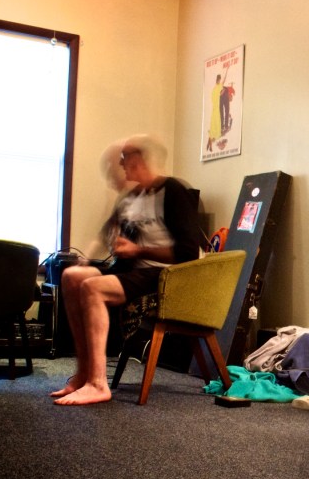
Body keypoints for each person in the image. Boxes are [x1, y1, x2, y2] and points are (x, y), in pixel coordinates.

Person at [51, 134, 200, 405]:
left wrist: (138, 250)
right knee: (72, 276)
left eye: (125, 157)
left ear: (140, 159)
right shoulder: (132, 197)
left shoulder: (173, 191)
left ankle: (98, 383)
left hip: (163, 275)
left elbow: (188, 252)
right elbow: (105, 234)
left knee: (93, 288)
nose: (120, 163)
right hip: (132, 272)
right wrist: (87, 260)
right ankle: (83, 373)